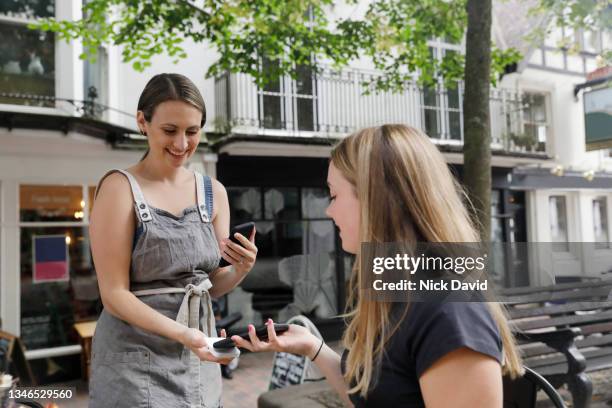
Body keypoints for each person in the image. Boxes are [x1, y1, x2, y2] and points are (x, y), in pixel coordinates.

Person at [231, 124, 523, 407]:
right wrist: (312, 346)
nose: (328, 211)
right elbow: (370, 396)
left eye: (333, 195)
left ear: (375, 199)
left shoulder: (452, 314)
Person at [89, 73, 258, 408]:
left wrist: (241, 268)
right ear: (142, 122)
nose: (182, 144)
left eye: (192, 131)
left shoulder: (213, 193)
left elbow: (209, 284)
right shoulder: (119, 188)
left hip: (199, 356)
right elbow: (113, 294)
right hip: (134, 362)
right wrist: (185, 334)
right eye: (170, 130)